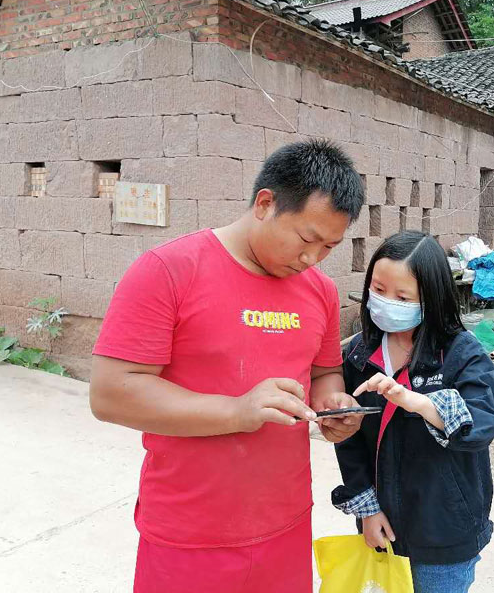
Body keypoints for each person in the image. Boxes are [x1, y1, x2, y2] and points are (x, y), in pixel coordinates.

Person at [89, 140, 366, 593]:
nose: (311, 258)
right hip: (189, 532)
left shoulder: (320, 290)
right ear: (265, 204)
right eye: (306, 239)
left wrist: (333, 403)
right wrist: (237, 411)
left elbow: (323, 373)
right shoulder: (168, 270)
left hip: (285, 522)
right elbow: (110, 394)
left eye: (329, 247)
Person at [332, 231, 494, 593]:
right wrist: (367, 509)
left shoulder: (460, 353)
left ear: (431, 298)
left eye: (402, 298)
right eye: (378, 290)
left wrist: (419, 402)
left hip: (445, 533)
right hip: (382, 524)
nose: (386, 303)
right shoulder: (359, 353)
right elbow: (348, 439)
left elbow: (486, 416)